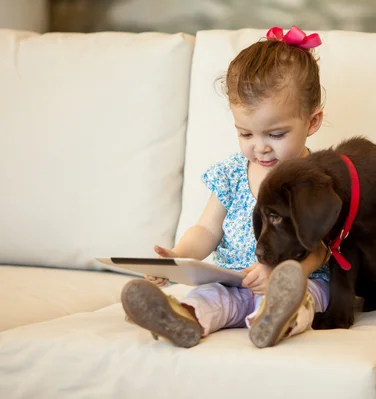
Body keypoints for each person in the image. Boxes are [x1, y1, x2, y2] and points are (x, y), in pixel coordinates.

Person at [121, 25, 330, 349]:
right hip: (233, 280)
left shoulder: (316, 179)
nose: (260, 147)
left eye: (275, 135)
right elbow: (207, 228)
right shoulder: (231, 173)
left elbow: (323, 249)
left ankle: (278, 318)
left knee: (300, 297)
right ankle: (181, 318)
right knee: (208, 297)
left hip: (298, 280)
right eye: (246, 134)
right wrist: (177, 257)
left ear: (312, 122)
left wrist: (286, 272)